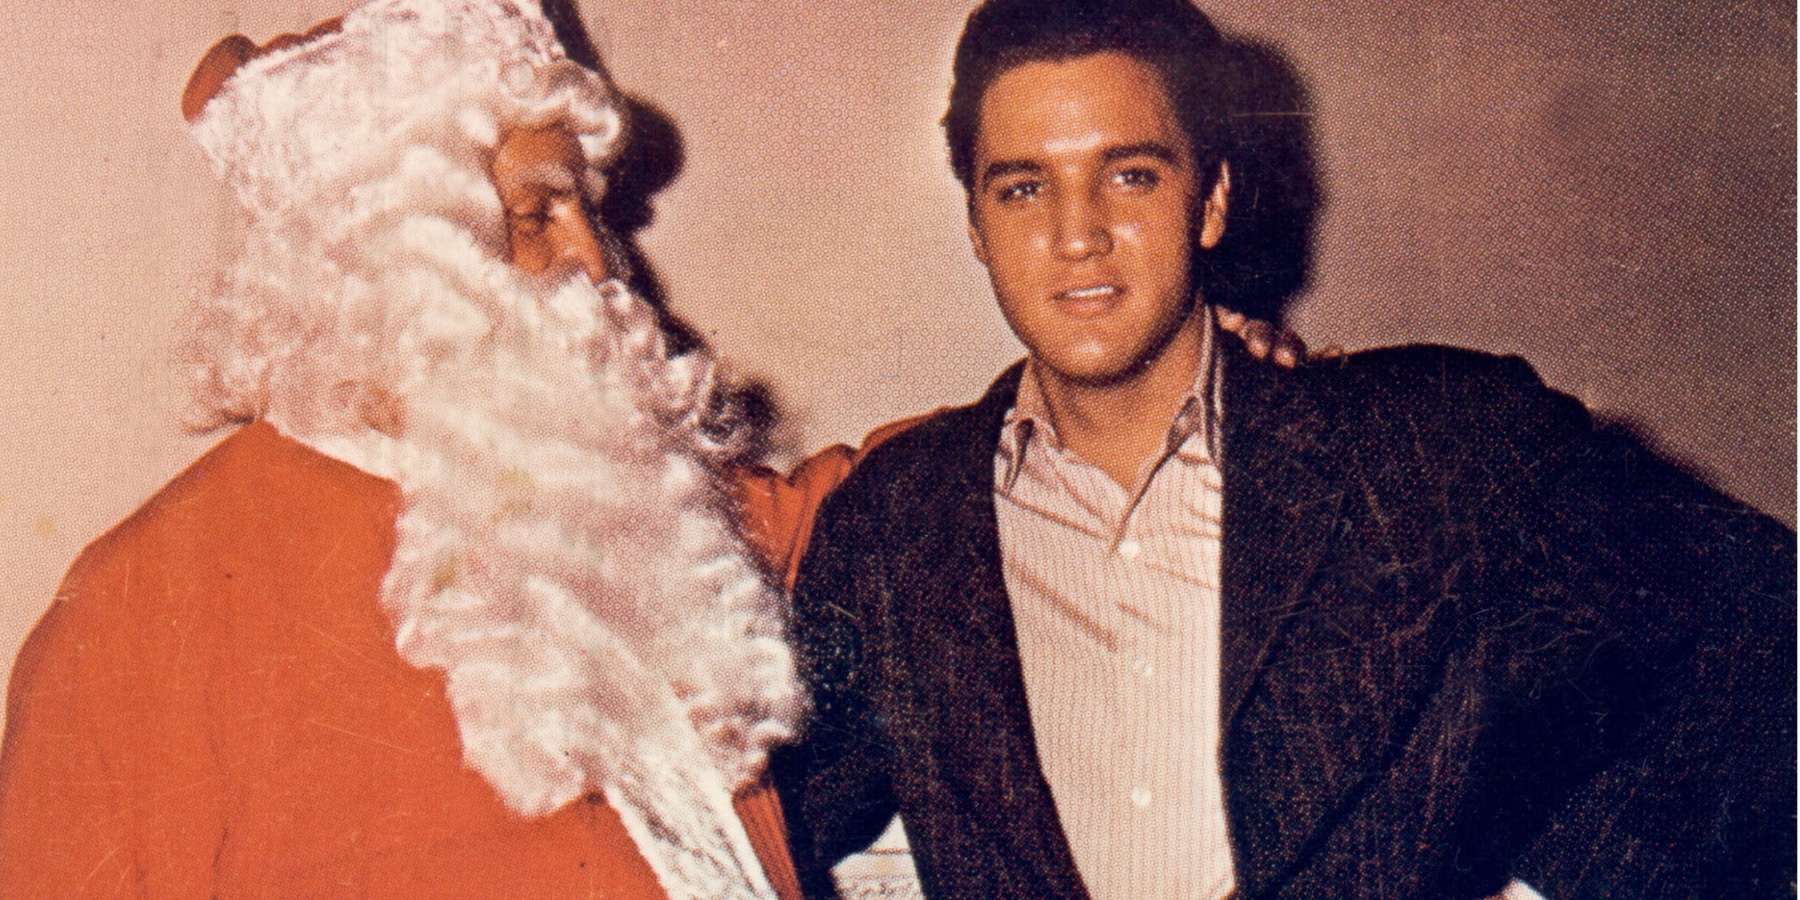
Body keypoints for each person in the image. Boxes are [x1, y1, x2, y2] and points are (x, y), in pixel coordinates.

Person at [772, 1, 1796, 898]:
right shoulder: (895, 525)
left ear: (1212, 200)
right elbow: (747, 821)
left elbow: (1766, 622)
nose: (1077, 233)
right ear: (976, 226)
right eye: (1024, 188)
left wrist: (1544, 891)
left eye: (1129, 175)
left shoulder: (1434, 446)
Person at [0, 1, 812, 896]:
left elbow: (884, 502)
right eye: (535, 215)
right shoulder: (141, 614)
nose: (596, 261)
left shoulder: (648, 501)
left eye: (588, 209)